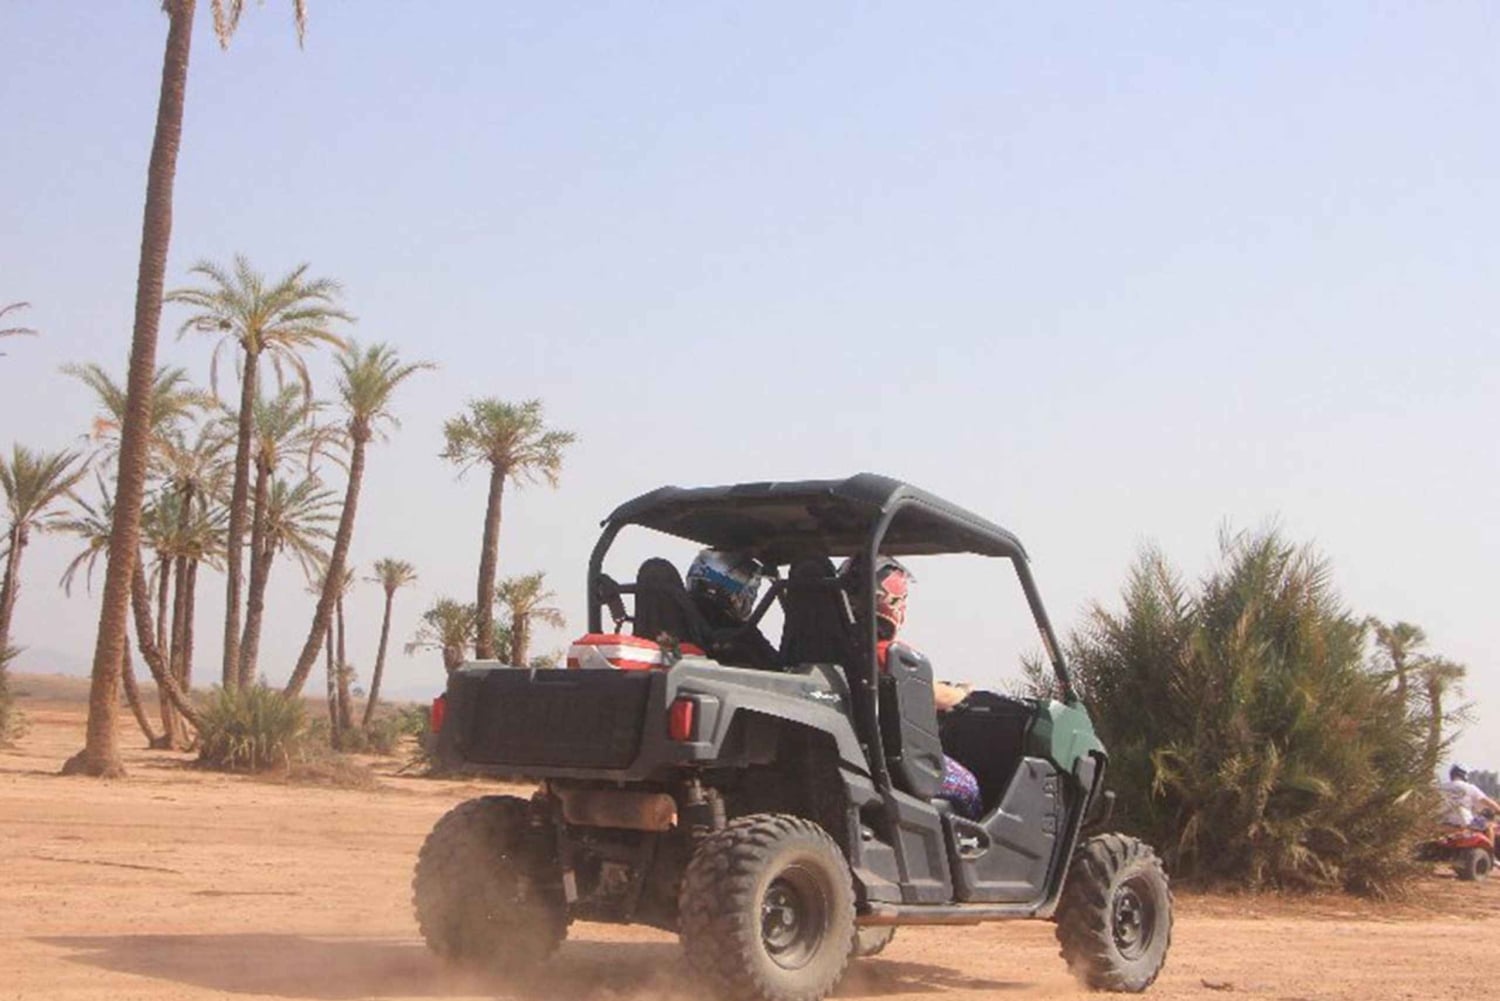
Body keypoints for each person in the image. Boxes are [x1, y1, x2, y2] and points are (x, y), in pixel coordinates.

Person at [840, 554, 983, 819]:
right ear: (889, 602)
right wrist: (963, 692)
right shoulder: (889, 654)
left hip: (859, 752)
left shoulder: (843, 649)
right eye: (901, 600)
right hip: (893, 762)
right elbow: (936, 696)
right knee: (968, 787)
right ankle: (970, 855)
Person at [685, 549, 780, 671]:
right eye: (750, 590)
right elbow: (779, 669)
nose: (751, 596)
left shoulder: (679, 617)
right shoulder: (739, 633)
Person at [1437, 763, 1500, 829]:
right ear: (1464, 775)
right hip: (1466, 823)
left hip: (1443, 823)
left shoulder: (1441, 787)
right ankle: (1490, 840)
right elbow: (1489, 803)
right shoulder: (1470, 787)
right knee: (1489, 826)